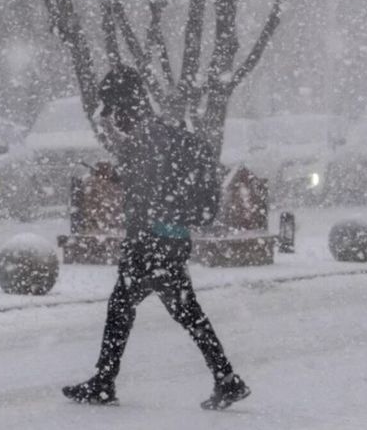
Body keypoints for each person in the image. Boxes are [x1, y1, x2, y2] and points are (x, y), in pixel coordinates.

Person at [62, 66, 250, 410]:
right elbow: (158, 184)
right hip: (172, 238)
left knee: (129, 307)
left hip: (150, 241)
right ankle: (226, 379)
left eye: (113, 109)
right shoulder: (160, 133)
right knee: (177, 311)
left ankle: (105, 382)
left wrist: (123, 179)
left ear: (122, 106)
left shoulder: (147, 138)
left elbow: (148, 189)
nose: (112, 118)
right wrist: (122, 176)